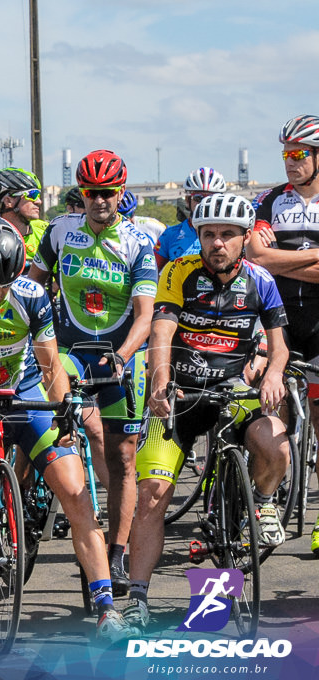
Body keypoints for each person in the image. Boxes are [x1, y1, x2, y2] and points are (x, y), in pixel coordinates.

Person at [0, 215, 134, 642]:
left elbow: (51, 364)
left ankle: (107, 607)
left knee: (75, 493)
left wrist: (64, 407)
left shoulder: (31, 295)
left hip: (25, 392)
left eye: (5, 286)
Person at [125, 193, 290, 630]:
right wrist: (159, 381)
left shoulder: (261, 281)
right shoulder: (179, 271)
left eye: (228, 235)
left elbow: (279, 347)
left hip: (235, 395)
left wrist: (273, 373)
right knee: (152, 495)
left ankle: (263, 503)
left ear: (246, 237)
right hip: (180, 395)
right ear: (198, 236)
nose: (218, 243)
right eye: (209, 234)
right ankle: (136, 599)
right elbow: (161, 331)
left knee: (277, 446)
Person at [28, 149, 157, 597]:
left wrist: (122, 356)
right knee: (46, 421)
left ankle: (117, 552)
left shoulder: (139, 242)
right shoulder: (61, 231)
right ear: (80, 194)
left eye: (107, 193)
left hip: (119, 353)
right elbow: (32, 284)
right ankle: (33, 497)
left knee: (122, 458)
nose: (100, 201)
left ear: (121, 192)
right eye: (91, 193)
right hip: (69, 349)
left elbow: (145, 316)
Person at [244, 114, 319, 553]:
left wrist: (278, 256)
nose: (290, 162)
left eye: (299, 154)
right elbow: (255, 257)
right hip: (280, 320)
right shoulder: (272, 200)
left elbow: (269, 258)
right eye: (286, 154)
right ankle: (264, 501)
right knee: (275, 415)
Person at [154, 167, 226, 269]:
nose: (204, 203)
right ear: (188, 201)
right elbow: (151, 274)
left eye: (211, 198)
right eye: (198, 198)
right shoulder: (170, 235)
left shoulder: (231, 234)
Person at [0, 167, 48, 262]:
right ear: (8, 201)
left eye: (39, 195)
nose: (39, 201)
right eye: (32, 194)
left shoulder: (46, 231)